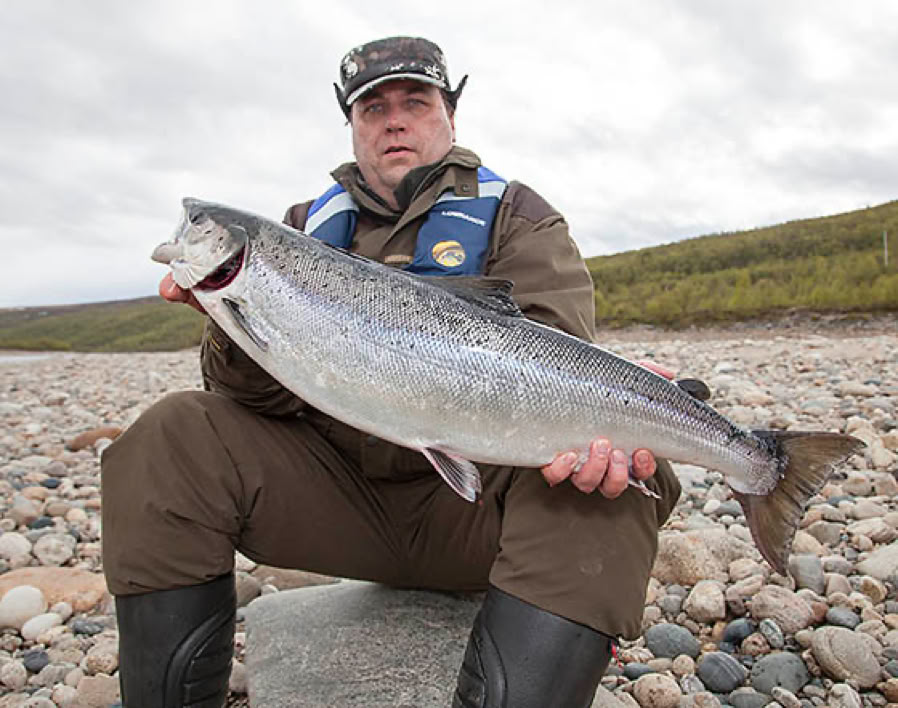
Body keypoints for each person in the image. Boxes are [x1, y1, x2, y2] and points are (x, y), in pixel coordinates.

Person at [101, 36, 681, 707]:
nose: (395, 120)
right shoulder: (298, 232)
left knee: (624, 481)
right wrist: (233, 322)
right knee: (170, 435)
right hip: (337, 501)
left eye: (415, 101)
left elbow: (552, 352)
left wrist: (605, 420)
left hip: (479, 519)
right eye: (373, 108)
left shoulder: (520, 218)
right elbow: (245, 398)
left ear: (449, 115)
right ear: (353, 126)